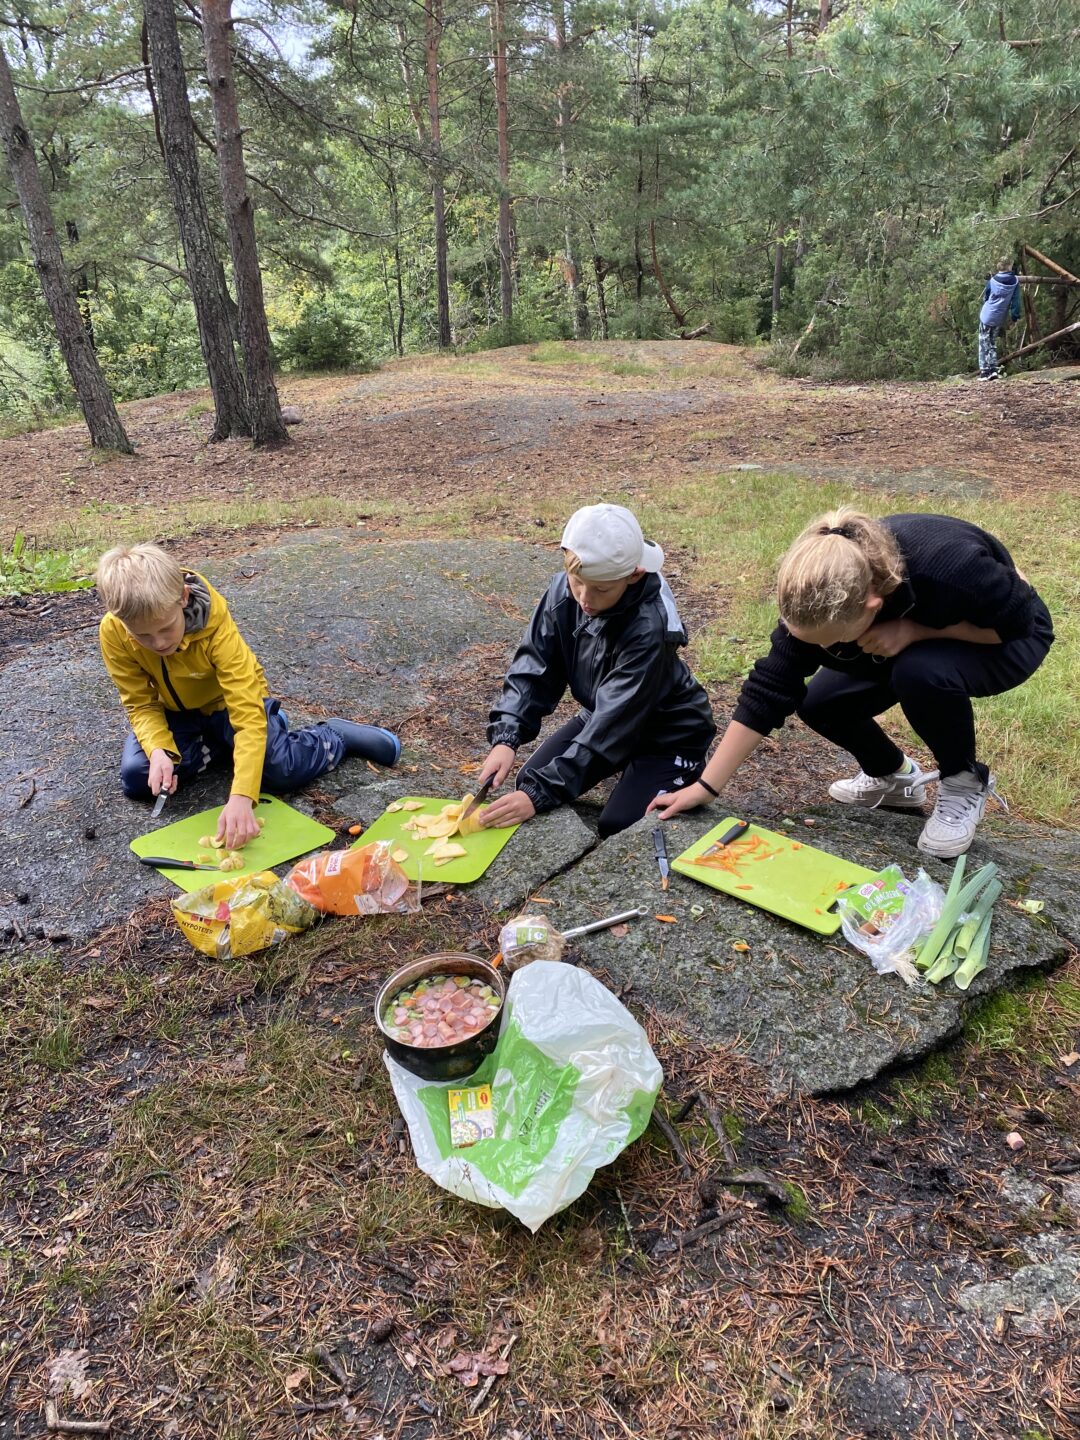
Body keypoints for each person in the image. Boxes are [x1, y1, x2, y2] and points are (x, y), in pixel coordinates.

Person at [650, 509, 1053, 859]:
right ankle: (893, 777)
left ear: (872, 605)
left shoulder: (949, 567)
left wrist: (916, 631)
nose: (820, 651)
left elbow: (1019, 624)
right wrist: (706, 786)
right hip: (899, 637)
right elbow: (769, 689)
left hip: (1003, 638)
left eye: (830, 641)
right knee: (819, 702)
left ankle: (964, 781)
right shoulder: (816, 584)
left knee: (918, 670)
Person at [96, 543, 400, 848]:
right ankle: (229, 744)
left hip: (230, 706)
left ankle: (333, 737)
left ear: (183, 598)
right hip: (177, 714)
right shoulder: (114, 631)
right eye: (143, 636)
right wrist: (159, 750)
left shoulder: (214, 626)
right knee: (139, 777)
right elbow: (140, 703)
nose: (159, 643)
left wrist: (242, 796)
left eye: (165, 628)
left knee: (280, 771)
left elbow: (245, 711)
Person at [476, 503, 716, 836]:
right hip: (602, 713)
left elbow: (614, 724)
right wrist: (507, 737)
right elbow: (533, 669)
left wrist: (538, 796)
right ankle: (620, 766)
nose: (585, 599)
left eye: (602, 589)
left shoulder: (650, 628)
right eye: (577, 582)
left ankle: (679, 769)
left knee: (619, 824)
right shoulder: (563, 594)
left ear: (634, 575)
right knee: (529, 780)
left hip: (667, 735)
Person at [978, 257, 1021, 380]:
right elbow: (1016, 302)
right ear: (1009, 266)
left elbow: (986, 297)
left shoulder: (993, 281)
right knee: (992, 342)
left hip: (987, 316)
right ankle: (993, 370)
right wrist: (1015, 317)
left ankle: (984, 372)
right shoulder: (1015, 281)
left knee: (983, 342)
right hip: (999, 318)